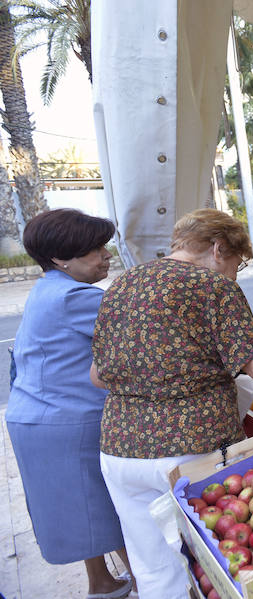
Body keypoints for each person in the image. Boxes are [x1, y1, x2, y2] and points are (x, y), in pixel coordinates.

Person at [91, 209, 253, 599]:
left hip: (120, 451)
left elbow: (97, 376)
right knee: (218, 563)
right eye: (237, 263)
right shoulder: (211, 287)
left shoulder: (121, 286)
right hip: (188, 451)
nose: (235, 274)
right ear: (218, 248)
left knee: (155, 568)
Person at [6, 209, 134, 599]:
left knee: (83, 509)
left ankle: (102, 583)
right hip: (65, 422)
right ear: (63, 259)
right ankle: (153, 582)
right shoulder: (75, 297)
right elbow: (145, 335)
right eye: (94, 250)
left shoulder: (48, 287)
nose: (105, 255)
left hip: (36, 417)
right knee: (111, 509)